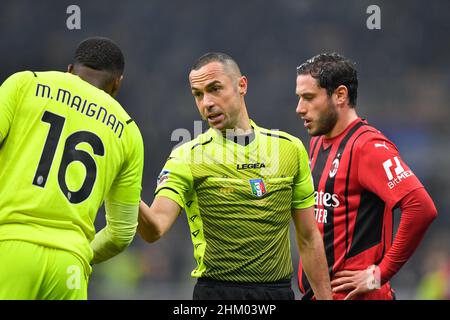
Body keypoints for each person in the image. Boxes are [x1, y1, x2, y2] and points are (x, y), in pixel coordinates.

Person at [139, 52, 332, 300]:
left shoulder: (289, 150)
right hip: (217, 294)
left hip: (277, 293)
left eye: (215, 89)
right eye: (198, 94)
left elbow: (308, 238)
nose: (206, 102)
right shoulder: (187, 157)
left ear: (242, 85)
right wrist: (125, 185)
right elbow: (153, 229)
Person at [0, 37, 144, 299]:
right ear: (117, 83)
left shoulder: (25, 83)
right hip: (70, 269)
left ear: (69, 70)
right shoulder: (128, 131)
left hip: (9, 248)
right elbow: (122, 233)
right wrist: (80, 253)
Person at [294, 52, 437, 300]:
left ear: (340, 95)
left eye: (308, 98)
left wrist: (380, 274)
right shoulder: (318, 142)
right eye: (299, 98)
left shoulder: (368, 146)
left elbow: (421, 207)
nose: (299, 108)